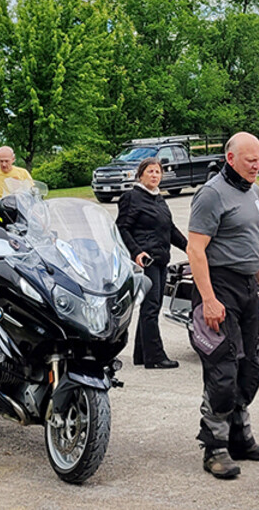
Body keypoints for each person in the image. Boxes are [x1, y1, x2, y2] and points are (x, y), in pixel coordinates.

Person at [185, 132, 259, 480]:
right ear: (230, 159)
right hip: (218, 285)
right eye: (250, 159)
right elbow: (196, 250)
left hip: (247, 287)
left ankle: (240, 438)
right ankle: (215, 447)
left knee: (248, 368)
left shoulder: (252, 191)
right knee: (222, 370)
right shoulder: (211, 194)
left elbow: (254, 240)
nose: (257, 164)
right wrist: (208, 299)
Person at [115, 157, 187, 370]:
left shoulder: (158, 199)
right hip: (146, 260)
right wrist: (136, 252)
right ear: (141, 175)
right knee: (152, 306)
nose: (155, 176)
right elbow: (121, 228)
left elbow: (170, 229)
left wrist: (189, 247)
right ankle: (155, 357)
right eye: (150, 172)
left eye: (158, 172)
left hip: (161, 258)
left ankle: (141, 354)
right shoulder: (131, 197)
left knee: (150, 306)